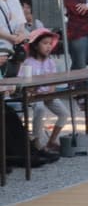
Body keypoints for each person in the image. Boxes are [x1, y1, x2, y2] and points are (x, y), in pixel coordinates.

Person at [17, 29, 67, 158]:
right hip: (34, 95)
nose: (48, 46)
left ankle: (52, 140)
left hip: (47, 94)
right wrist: (31, 89)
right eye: (45, 43)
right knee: (39, 109)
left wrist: (52, 88)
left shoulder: (50, 62)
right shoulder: (28, 62)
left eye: (50, 44)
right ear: (35, 45)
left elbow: (53, 80)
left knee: (64, 113)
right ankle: (37, 141)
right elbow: (22, 82)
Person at [0, 0, 26, 77]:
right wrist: (10, 37)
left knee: (12, 84)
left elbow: (21, 23)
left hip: (14, 49)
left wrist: (20, 34)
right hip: (1, 48)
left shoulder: (14, 0)